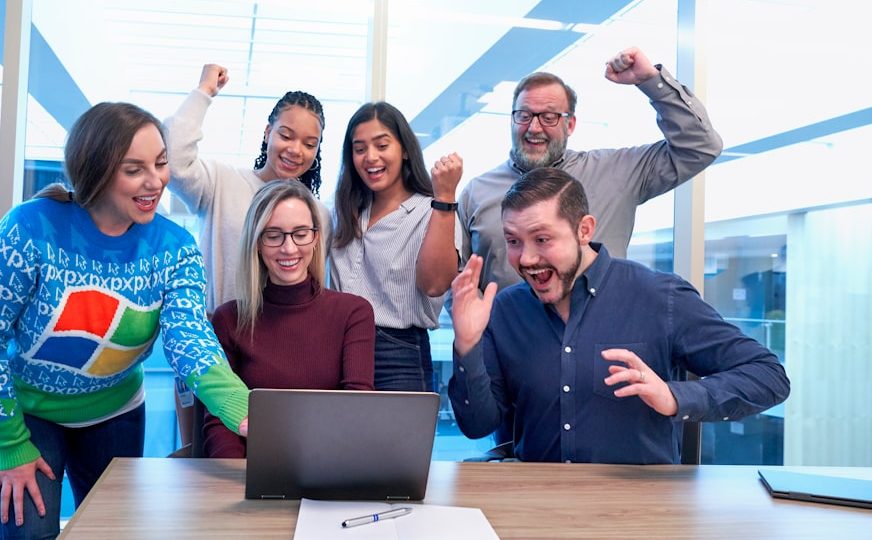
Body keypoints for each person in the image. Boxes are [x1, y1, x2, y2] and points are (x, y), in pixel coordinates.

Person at [0, 102, 250, 538]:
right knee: (31, 533)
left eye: (161, 163)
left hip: (113, 410)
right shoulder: (30, 228)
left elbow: (190, 336)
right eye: (135, 169)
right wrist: (10, 442)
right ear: (96, 170)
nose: (155, 181)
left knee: (112, 532)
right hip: (19, 409)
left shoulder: (175, 247)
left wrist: (245, 411)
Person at [447, 167, 789, 464]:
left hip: (639, 510)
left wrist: (674, 397)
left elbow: (768, 377)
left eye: (542, 239)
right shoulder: (506, 309)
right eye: (514, 241)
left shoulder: (659, 297)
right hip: (540, 503)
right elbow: (478, 425)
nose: (526, 259)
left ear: (584, 230)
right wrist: (466, 346)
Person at [457, 46, 724, 292]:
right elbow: (458, 280)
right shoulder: (476, 193)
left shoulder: (617, 172)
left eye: (549, 117)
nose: (534, 128)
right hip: (508, 340)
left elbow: (700, 146)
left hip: (601, 338)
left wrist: (651, 81)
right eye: (524, 116)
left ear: (570, 124)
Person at [203, 180, 375, 457]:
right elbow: (220, 420)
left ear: (316, 238)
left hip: (331, 468)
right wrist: (237, 479)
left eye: (300, 233)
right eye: (274, 235)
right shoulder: (228, 319)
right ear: (257, 243)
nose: (289, 248)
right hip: (253, 473)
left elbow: (355, 409)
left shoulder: (353, 313)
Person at [164, 63, 330, 313]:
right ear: (267, 133)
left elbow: (314, 284)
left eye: (309, 143)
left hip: (282, 338)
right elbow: (174, 161)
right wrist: (204, 91)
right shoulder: (221, 182)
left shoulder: (318, 213)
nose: (296, 150)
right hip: (217, 334)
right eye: (286, 136)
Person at [328, 102, 462, 391]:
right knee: (337, 437)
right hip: (336, 348)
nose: (370, 157)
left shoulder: (434, 210)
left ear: (404, 150)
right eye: (359, 148)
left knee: (398, 437)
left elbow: (436, 284)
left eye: (382, 145)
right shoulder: (342, 211)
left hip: (398, 354)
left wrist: (445, 198)